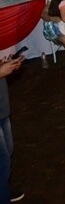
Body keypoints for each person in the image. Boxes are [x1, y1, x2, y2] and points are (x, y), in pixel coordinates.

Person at [0, 51, 24, 203]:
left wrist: (5, 65)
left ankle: (4, 190)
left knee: (8, 152)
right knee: (2, 161)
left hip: (2, 108)